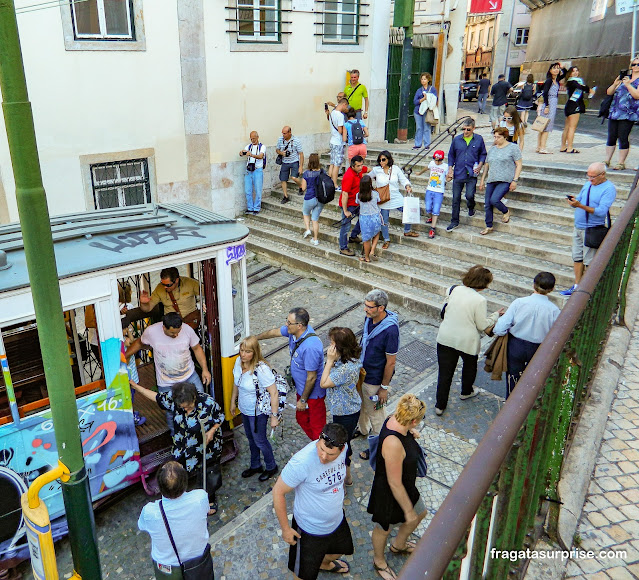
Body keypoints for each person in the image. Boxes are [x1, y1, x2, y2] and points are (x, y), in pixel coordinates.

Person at [273, 423, 354, 579]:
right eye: (321, 449)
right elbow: (278, 491)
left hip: (336, 521)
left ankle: (323, 563)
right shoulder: (301, 462)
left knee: (340, 550)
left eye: (331, 454)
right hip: (308, 530)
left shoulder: (344, 451)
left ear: (342, 450)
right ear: (319, 439)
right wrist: (285, 529)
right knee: (303, 575)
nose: (323, 457)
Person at [131, 381, 225, 515]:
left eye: (188, 407)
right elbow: (156, 397)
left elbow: (220, 416)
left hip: (207, 448)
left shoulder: (208, 402)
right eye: (183, 407)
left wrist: (212, 430)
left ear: (194, 397)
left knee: (207, 474)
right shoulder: (175, 397)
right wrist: (136, 387)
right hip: (183, 446)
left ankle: (209, 498)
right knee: (176, 473)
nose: (186, 410)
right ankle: (178, 498)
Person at [367, 394, 427, 580]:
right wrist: (408, 511)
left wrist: (411, 433)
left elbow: (403, 429)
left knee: (421, 512)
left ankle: (399, 545)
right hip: (389, 494)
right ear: (414, 421)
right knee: (383, 528)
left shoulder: (393, 419)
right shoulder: (393, 443)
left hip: (407, 486)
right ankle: (379, 561)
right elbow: (394, 482)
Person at [125, 312, 211, 433]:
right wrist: (124, 356)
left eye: (178, 332)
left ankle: (202, 433)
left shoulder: (187, 330)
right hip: (166, 382)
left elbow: (197, 349)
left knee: (200, 403)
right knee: (171, 412)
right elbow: (139, 343)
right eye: (172, 333)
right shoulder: (151, 332)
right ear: (164, 327)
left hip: (190, 376)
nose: (176, 335)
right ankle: (175, 437)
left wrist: (205, 369)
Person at [435, 266, 503, 416]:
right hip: (467, 341)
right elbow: (482, 325)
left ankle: (440, 405)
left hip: (446, 336)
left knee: (444, 373)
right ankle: (466, 391)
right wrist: (496, 315)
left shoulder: (453, 289)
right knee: (469, 366)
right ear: (484, 283)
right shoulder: (480, 300)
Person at [256, 308, 326, 440]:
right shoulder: (293, 332)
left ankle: (321, 450)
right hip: (302, 389)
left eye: (289, 323)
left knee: (317, 427)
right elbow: (274, 332)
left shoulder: (311, 347)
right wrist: (256, 338)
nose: (286, 325)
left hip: (313, 395)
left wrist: (303, 400)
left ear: (299, 326)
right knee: (301, 418)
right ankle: (315, 445)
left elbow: (312, 378)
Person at [138, 461, 212, 579]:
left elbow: (142, 526)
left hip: (167, 567)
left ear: (160, 486)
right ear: (185, 482)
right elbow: (206, 510)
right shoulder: (200, 497)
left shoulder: (150, 512)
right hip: (198, 562)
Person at [493, 272, 560, 397]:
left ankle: (510, 405)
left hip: (515, 345)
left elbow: (500, 328)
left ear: (533, 285)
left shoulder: (519, 303)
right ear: (552, 289)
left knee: (513, 378)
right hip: (539, 348)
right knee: (534, 379)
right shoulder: (554, 310)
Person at [560, 163, 617, 296]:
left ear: (602, 175)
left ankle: (588, 290)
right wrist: (574, 202)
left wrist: (580, 205)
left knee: (590, 260)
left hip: (592, 229)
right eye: (588, 176)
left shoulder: (608, 189)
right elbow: (580, 199)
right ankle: (577, 286)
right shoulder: (588, 184)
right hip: (578, 227)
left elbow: (601, 211)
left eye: (593, 177)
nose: (590, 179)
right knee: (577, 257)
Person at [230, 336, 280, 482]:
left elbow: (274, 392)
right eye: (241, 350)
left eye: (247, 351)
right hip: (245, 409)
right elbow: (236, 383)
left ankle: (271, 466)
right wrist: (233, 401)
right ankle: (255, 464)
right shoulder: (238, 362)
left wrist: (274, 416)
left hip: (257, 412)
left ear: (255, 352)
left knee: (260, 440)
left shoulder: (262, 370)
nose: (243, 354)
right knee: (251, 439)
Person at [357, 289, 400, 459]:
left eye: (369, 307)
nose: (365, 310)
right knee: (361, 407)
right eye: (365, 305)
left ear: (381, 308)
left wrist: (384, 387)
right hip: (362, 373)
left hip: (374, 379)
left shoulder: (390, 331)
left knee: (377, 417)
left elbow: (391, 362)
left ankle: (378, 447)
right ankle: (362, 430)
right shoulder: (369, 318)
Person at [320, 327, 362, 486]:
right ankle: (346, 476)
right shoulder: (350, 359)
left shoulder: (344, 369)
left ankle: (346, 477)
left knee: (343, 445)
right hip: (347, 408)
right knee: (345, 442)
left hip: (345, 412)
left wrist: (329, 361)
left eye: (332, 343)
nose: (329, 346)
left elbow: (324, 383)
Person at [478, 127, 523, 235]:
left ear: (505, 137)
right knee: (487, 203)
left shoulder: (513, 148)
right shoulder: (493, 149)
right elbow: (487, 164)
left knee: (494, 199)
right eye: (495, 137)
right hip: (492, 178)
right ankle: (489, 225)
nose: (496, 139)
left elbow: (519, 164)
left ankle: (506, 211)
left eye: (498, 137)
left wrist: (515, 180)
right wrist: (482, 179)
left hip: (505, 179)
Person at [446, 118, 487, 232]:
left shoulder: (478, 139)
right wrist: (450, 168)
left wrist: (480, 164)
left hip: (471, 173)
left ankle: (471, 207)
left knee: (469, 195)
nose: (465, 131)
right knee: (455, 198)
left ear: (473, 128)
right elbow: (451, 155)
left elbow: (483, 154)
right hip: (459, 173)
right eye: (463, 129)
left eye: (468, 129)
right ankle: (454, 221)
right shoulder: (457, 140)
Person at [370, 150, 417, 248]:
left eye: (383, 159)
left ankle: (407, 230)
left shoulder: (395, 169)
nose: (381, 162)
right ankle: (386, 239)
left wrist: (407, 186)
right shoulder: (376, 170)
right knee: (384, 220)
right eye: (380, 160)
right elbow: (366, 178)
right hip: (384, 198)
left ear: (388, 159)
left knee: (407, 211)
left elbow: (403, 179)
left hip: (396, 196)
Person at [605, 58, 639, 170]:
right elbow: (609, 92)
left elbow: (637, 96)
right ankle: (607, 160)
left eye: (638, 64)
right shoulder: (625, 78)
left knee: (623, 137)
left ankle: (621, 162)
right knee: (611, 136)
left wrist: (629, 85)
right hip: (615, 111)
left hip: (629, 112)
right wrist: (615, 84)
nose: (636, 66)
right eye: (634, 64)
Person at [416, 149, 450, 239]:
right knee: (428, 208)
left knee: (436, 209)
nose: (436, 162)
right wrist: (419, 173)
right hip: (429, 189)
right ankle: (431, 217)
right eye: (435, 160)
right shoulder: (432, 163)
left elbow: (448, 178)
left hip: (439, 191)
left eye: (438, 160)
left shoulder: (445, 166)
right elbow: (426, 168)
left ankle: (432, 228)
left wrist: (450, 176)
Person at [338, 155, 366, 256]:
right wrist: (345, 211)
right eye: (358, 166)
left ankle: (354, 235)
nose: (361, 167)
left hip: (357, 203)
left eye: (361, 165)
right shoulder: (349, 176)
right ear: (353, 166)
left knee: (363, 218)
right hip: (349, 204)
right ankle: (343, 247)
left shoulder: (359, 171)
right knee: (345, 226)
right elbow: (345, 194)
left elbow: (369, 169)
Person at [536, 62, 566, 155]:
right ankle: (543, 147)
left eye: (557, 68)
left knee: (543, 126)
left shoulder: (556, 80)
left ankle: (539, 146)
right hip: (549, 102)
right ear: (550, 70)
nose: (556, 70)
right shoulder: (549, 81)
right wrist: (547, 106)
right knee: (546, 126)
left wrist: (562, 67)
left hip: (552, 102)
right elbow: (545, 93)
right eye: (554, 68)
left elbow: (564, 73)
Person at [560, 67, 592, 155]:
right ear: (569, 73)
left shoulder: (571, 81)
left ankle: (563, 146)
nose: (575, 73)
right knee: (572, 128)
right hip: (574, 105)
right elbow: (583, 88)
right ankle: (570, 147)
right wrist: (587, 88)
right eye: (573, 71)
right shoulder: (573, 82)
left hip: (569, 105)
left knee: (567, 127)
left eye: (577, 71)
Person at [356, 175, 382, 262]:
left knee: (366, 239)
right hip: (375, 216)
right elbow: (379, 200)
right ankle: (373, 250)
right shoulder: (375, 194)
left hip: (364, 218)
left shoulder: (358, 195)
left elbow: (357, 202)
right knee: (377, 233)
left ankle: (366, 257)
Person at [300, 153, 324, 247]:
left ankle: (308, 229)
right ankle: (315, 239)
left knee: (306, 213)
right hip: (320, 198)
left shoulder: (306, 173)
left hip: (310, 197)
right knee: (315, 219)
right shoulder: (322, 172)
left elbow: (303, 188)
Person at [240, 130, 266, 214]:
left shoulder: (262, 147)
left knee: (258, 190)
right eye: (251, 139)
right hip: (249, 170)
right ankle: (250, 208)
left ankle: (256, 208)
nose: (252, 140)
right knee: (248, 190)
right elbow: (241, 153)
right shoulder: (248, 146)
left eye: (254, 138)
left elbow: (261, 156)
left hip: (258, 170)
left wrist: (251, 155)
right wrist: (242, 153)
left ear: (258, 137)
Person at [276, 126, 304, 204]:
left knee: (294, 177)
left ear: (289, 133)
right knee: (283, 179)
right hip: (285, 162)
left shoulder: (296, 141)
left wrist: (301, 167)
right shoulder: (280, 140)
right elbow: (277, 150)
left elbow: (301, 154)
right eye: (282, 133)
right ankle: (286, 196)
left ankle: (301, 186)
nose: (283, 135)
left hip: (294, 161)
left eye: (285, 133)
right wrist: (282, 153)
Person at [412, 72, 438, 149]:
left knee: (427, 128)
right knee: (419, 128)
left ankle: (427, 145)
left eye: (425, 79)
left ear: (428, 80)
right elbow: (415, 101)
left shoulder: (432, 89)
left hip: (428, 112)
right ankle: (418, 144)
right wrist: (423, 99)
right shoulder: (419, 90)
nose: (423, 81)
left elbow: (435, 100)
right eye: (422, 79)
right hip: (418, 112)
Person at [328, 98, 349, 190]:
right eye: (346, 106)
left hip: (332, 140)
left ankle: (330, 182)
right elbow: (340, 130)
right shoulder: (340, 116)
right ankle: (335, 184)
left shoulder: (332, 113)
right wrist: (345, 130)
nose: (346, 109)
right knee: (337, 164)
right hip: (338, 142)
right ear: (344, 104)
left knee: (332, 163)